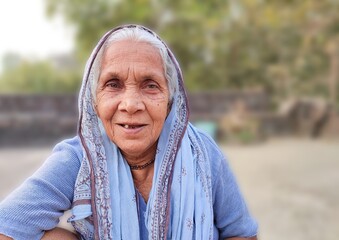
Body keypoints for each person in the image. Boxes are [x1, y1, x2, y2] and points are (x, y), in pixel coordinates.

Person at [0, 24, 258, 239]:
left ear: (170, 100)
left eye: (150, 85)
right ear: (94, 100)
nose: (131, 105)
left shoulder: (202, 153)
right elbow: (7, 227)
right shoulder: (80, 158)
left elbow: (242, 233)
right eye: (113, 84)